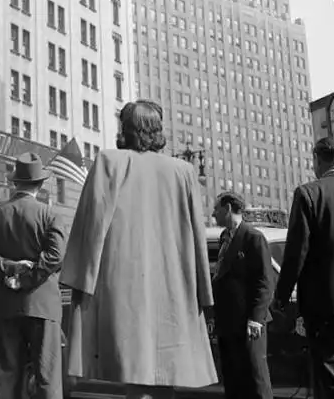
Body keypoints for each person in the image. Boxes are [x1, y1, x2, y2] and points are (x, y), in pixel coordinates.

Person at [61, 100, 217, 399]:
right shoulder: (184, 171)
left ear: (126, 130)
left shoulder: (108, 162)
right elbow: (198, 238)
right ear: (157, 130)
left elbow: (90, 228)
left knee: (136, 375)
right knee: (166, 375)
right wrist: (203, 294)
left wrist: (81, 281)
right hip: (174, 288)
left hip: (125, 288)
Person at [0, 152, 67, 399]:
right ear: (40, 184)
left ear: (14, 183)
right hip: (42, 304)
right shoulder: (50, 215)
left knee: (5, 375)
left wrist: (9, 267)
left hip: (6, 305)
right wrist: (26, 277)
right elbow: (56, 256)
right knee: (47, 377)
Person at [275, 136, 334, 399]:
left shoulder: (308, 193)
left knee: (329, 374)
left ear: (317, 160)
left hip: (324, 304)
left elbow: (296, 252)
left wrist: (281, 295)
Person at [210, 192, 273, 399]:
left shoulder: (253, 237)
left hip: (248, 323)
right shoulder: (224, 237)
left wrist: (256, 319)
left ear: (228, 208)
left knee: (255, 379)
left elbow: (264, 281)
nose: (213, 214)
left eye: (217, 209)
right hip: (227, 321)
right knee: (233, 379)